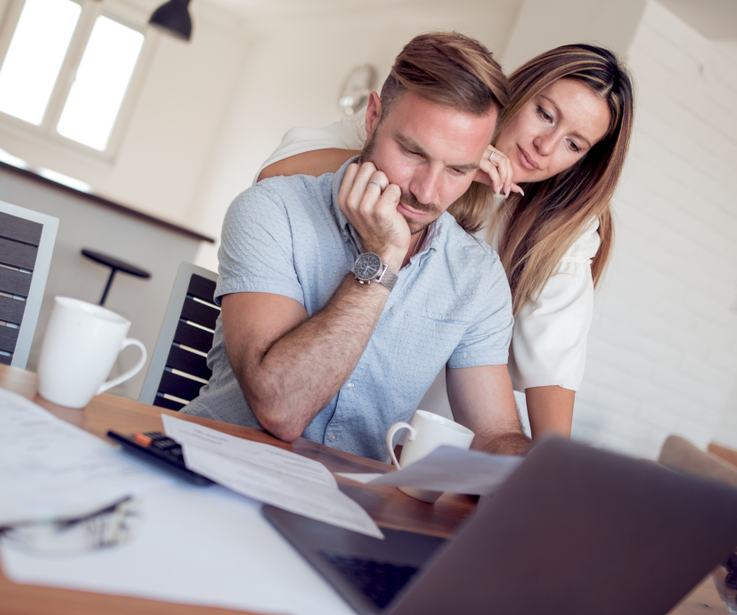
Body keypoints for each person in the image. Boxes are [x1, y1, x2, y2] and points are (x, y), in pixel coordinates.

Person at [257, 44, 635, 441]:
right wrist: (452, 162)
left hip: (398, 438)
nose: (545, 146)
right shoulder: (420, 114)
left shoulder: (562, 234)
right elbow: (276, 177)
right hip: (297, 373)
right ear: (520, 92)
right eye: (544, 114)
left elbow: (552, 380)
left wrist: (546, 480)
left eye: (573, 144)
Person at [183, 32, 531, 462]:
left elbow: (494, 434)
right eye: (412, 152)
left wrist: (544, 476)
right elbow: (281, 409)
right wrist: (383, 258)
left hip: (347, 507)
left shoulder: (476, 276)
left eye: (458, 169)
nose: (426, 191)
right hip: (211, 469)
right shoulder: (272, 210)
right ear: (372, 118)